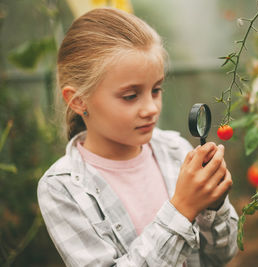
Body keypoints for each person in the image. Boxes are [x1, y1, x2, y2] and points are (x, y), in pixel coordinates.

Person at [37, 7, 238, 267]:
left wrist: (214, 205)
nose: (152, 108)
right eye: (130, 96)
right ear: (78, 101)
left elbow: (222, 256)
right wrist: (182, 209)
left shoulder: (176, 151)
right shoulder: (62, 188)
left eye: (156, 90)